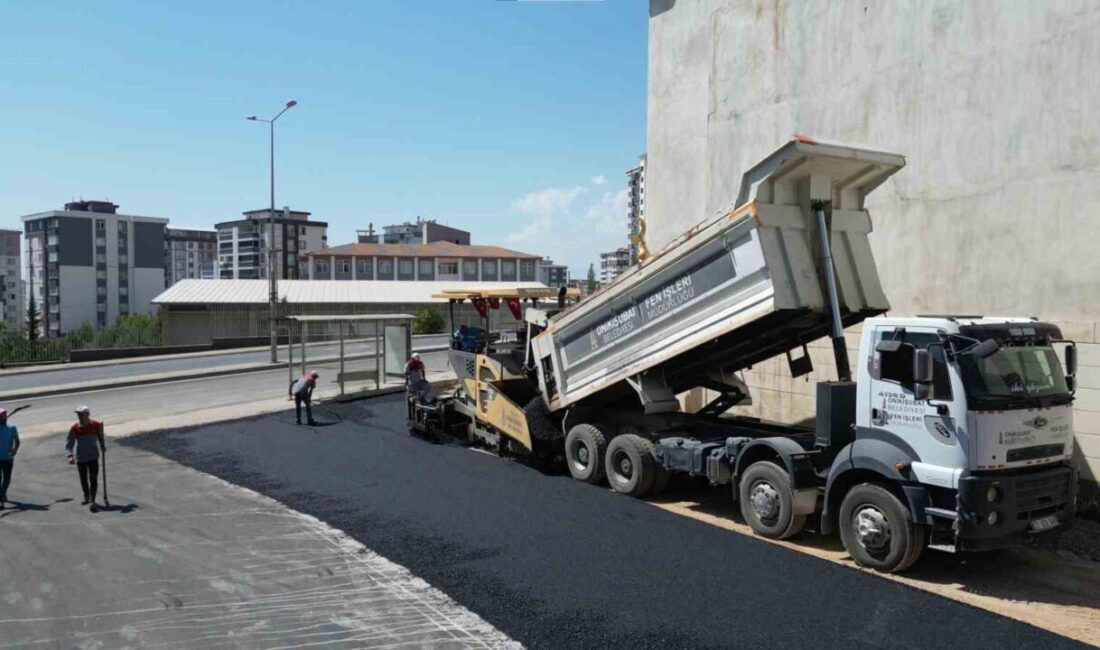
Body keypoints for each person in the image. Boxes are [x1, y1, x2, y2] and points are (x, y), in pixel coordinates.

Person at [65, 406, 105, 512]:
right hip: (81, 458)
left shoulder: (96, 425)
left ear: (87, 414)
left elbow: (101, 438)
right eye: (78, 414)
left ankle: (92, 500)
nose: (79, 416)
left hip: (93, 456)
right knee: (83, 480)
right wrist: (70, 455)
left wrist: (102, 446)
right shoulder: (75, 428)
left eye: (81, 414)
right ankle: (86, 495)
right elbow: (69, 443)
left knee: (93, 479)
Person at [0, 408, 20, 509]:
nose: (4, 417)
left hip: (8, 458)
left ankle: (2, 493)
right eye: (2, 416)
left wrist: (14, 451)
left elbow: (17, 441)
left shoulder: (12, 428)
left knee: (7, 479)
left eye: (4, 415)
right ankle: (1, 498)